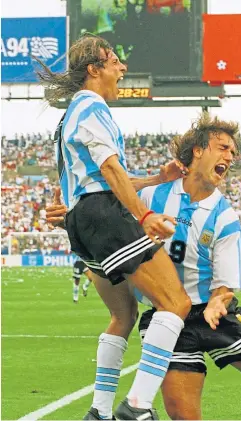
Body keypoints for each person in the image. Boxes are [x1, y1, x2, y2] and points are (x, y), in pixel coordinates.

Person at [47, 113, 241, 421]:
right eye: (223, 148)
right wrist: (68, 214)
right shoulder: (152, 195)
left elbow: (225, 286)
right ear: (198, 150)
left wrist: (218, 303)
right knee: (183, 416)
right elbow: (100, 212)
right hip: (169, 323)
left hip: (215, 317)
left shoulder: (225, 217)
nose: (230, 157)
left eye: (233, 152)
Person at [36, 33, 193, 420]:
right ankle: (136, 406)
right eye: (116, 62)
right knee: (176, 303)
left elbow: (100, 179)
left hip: (84, 222)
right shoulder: (93, 107)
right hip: (105, 216)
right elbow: (109, 170)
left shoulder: (70, 114)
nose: (123, 69)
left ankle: (100, 411)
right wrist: (144, 215)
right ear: (94, 69)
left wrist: (156, 179)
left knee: (123, 315)